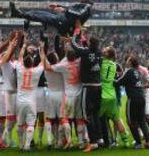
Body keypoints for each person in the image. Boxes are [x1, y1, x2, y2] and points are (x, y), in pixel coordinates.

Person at [42, 45, 86, 150]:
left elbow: (48, 67)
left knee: (64, 119)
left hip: (68, 95)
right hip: (79, 94)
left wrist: (42, 53)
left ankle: (66, 141)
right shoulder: (79, 61)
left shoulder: (63, 65)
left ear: (66, 56)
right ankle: (80, 142)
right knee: (79, 119)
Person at [72, 22, 103, 152]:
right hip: (98, 86)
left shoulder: (85, 52)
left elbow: (74, 46)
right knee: (96, 114)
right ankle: (100, 138)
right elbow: (87, 50)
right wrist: (83, 38)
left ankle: (93, 142)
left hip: (88, 87)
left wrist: (75, 35)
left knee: (87, 115)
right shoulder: (99, 52)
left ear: (90, 43)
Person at [9, 0, 92, 36]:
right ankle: (20, 14)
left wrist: (64, 10)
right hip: (62, 20)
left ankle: (18, 14)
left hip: (64, 23)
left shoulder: (87, 7)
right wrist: (57, 5)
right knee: (39, 13)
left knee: (42, 16)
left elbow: (79, 14)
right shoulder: (83, 5)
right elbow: (71, 10)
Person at [115, 55, 149, 149]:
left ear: (130, 62)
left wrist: (108, 80)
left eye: (127, 60)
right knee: (142, 120)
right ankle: (148, 142)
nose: (126, 61)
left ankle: (138, 142)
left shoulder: (128, 71)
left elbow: (118, 82)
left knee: (131, 121)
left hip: (133, 98)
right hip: (141, 97)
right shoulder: (139, 72)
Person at [15, 41, 45, 151]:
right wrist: (41, 48)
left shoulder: (19, 69)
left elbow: (19, 57)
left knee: (20, 124)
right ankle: (27, 146)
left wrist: (23, 46)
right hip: (31, 102)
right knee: (31, 124)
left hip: (19, 101)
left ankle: (20, 144)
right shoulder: (36, 71)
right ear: (32, 63)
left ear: (24, 63)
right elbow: (43, 61)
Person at [98, 46, 130, 148]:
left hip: (103, 94)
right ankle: (126, 141)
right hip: (112, 95)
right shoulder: (114, 65)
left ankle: (97, 140)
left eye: (106, 50)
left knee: (96, 118)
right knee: (117, 119)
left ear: (108, 54)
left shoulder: (101, 62)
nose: (103, 50)